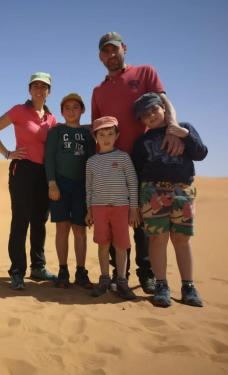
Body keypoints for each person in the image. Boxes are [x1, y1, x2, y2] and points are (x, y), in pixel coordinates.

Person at [91, 31, 184, 294]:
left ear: (124, 49)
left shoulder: (145, 72)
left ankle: (147, 275)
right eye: (106, 52)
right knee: (113, 218)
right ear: (100, 57)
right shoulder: (98, 90)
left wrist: (173, 126)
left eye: (115, 49)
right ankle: (119, 275)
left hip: (146, 157)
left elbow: (163, 102)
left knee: (141, 217)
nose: (111, 55)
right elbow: (97, 128)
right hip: (113, 162)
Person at [131, 93, 208, 307]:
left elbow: (201, 153)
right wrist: (136, 203)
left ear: (163, 108)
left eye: (154, 110)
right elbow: (136, 172)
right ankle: (161, 285)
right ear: (141, 120)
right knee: (157, 239)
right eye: (145, 115)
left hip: (182, 191)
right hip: (151, 192)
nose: (151, 116)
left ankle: (188, 286)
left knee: (182, 239)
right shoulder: (142, 142)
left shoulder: (185, 127)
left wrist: (184, 134)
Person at [0, 72, 58, 290]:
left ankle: (38, 267)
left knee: (39, 221)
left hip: (43, 173)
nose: (39, 89)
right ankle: (17, 271)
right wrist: (7, 153)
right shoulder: (19, 110)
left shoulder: (52, 119)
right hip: (22, 170)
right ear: (29, 90)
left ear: (48, 92)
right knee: (20, 221)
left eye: (43, 86)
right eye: (35, 85)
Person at [85, 116, 140, 300]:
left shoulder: (123, 157)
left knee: (121, 246)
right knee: (103, 244)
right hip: (99, 208)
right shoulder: (91, 161)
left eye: (110, 133)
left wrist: (133, 209)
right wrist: (89, 210)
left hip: (121, 208)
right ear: (96, 137)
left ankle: (122, 281)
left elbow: (132, 183)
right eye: (101, 134)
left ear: (117, 135)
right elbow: (89, 188)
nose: (106, 137)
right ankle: (104, 279)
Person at [44, 93, 95, 288]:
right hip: (60, 185)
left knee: (80, 230)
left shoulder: (87, 135)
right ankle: (63, 269)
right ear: (62, 112)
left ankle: (81, 271)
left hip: (81, 186)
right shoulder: (56, 131)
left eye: (75, 107)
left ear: (82, 110)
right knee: (62, 229)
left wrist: (90, 191)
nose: (71, 111)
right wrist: (52, 183)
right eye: (67, 108)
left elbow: (91, 162)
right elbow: (49, 158)